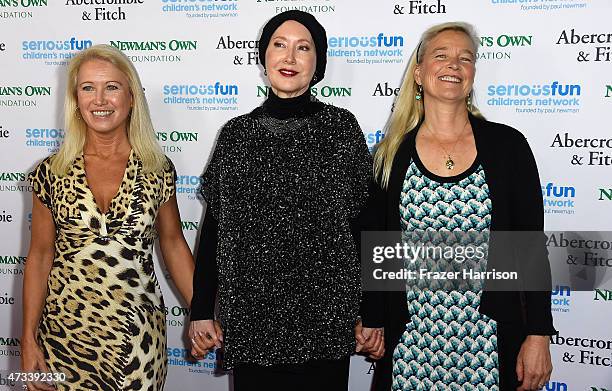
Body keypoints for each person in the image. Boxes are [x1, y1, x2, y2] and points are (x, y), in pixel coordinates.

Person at [189, 10, 383, 390]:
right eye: (279, 45)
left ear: (318, 64)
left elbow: (369, 226)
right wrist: (200, 311)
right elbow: (214, 231)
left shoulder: (342, 130)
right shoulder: (236, 136)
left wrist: (374, 312)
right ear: (264, 58)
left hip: (326, 322)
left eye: (303, 48)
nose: (289, 58)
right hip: (253, 321)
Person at [361, 22, 556, 390]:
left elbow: (530, 250)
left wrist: (539, 335)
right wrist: (372, 318)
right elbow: (379, 251)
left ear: (472, 74)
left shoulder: (508, 147)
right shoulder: (390, 154)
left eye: (465, 58)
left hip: (488, 340)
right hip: (412, 344)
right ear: (419, 73)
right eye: (442, 55)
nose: (454, 64)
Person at [22, 44, 195, 391]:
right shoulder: (50, 172)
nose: (99, 99)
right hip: (63, 339)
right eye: (88, 88)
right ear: (76, 99)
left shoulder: (156, 170)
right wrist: (27, 341)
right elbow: (40, 256)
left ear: (131, 98)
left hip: (138, 342)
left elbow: (174, 244)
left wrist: (204, 312)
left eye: (111, 87)